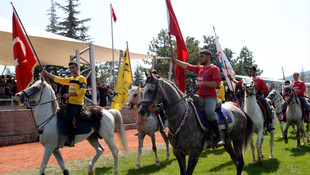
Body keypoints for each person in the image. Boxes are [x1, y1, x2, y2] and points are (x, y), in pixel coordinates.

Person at [172, 49, 225, 148]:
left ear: (208, 57)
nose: (200, 59)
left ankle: (218, 138)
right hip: (198, 97)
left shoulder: (214, 69)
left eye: (202, 57)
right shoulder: (199, 68)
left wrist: (203, 83)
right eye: (199, 56)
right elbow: (187, 66)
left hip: (210, 97)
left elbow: (217, 84)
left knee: (209, 112)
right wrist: (176, 61)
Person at [42, 61, 87, 147]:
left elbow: (82, 91)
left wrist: (69, 94)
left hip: (77, 104)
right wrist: (47, 74)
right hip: (69, 103)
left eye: (73, 68)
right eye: (70, 68)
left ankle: (71, 139)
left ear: (77, 68)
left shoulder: (82, 78)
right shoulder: (70, 79)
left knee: (70, 118)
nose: (71, 70)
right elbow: (59, 79)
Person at [230, 66, 274, 132]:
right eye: (249, 72)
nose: (249, 73)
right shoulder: (247, 80)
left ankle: (269, 124)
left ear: (255, 72)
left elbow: (266, 90)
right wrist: (231, 78)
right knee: (241, 109)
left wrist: (258, 91)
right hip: (248, 98)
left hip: (258, 97)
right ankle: (241, 124)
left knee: (267, 107)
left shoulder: (260, 80)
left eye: (251, 72)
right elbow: (238, 83)